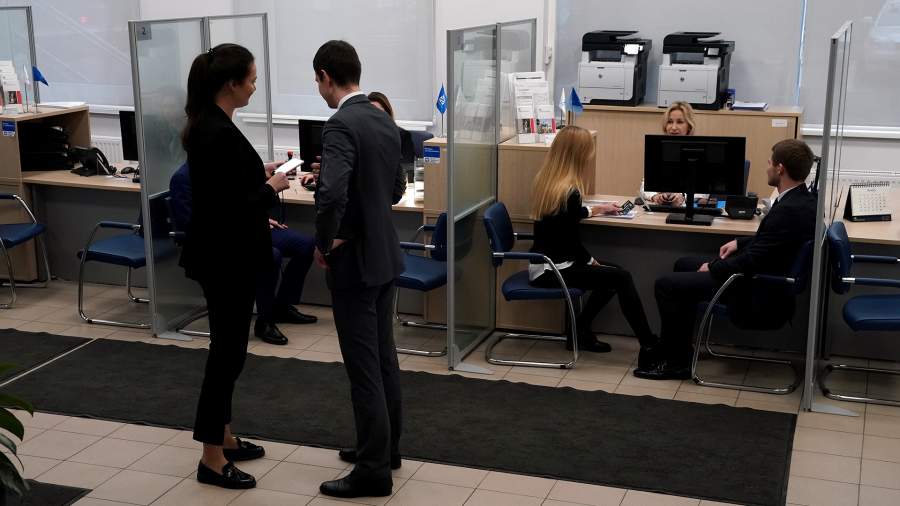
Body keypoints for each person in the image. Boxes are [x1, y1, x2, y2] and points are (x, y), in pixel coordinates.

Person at [179, 43, 291, 489]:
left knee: (230, 353)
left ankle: (223, 436)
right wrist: (271, 187)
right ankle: (211, 458)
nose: (254, 86)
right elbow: (228, 205)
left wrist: (258, 176)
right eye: (251, 79)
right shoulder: (215, 131)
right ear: (231, 84)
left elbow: (225, 188)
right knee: (226, 357)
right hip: (225, 259)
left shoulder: (213, 124)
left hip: (226, 252)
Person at [307, 40, 404, 499]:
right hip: (386, 256)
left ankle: (372, 471)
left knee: (363, 367)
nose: (319, 89)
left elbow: (331, 195)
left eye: (317, 81)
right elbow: (395, 190)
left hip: (356, 264)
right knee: (384, 360)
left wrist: (326, 241)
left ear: (326, 76)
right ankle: (385, 449)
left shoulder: (340, 124)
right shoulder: (383, 120)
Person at [635, 139, 817, 380]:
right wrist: (740, 242)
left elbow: (752, 261)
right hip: (761, 274)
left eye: (769, 163)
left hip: (755, 287)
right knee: (683, 265)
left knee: (665, 285)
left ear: (780, 168)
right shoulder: (800, 200)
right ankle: (679, 350)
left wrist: (714, 266)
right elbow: (775, 242)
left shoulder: (788, 210)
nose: (767, 168)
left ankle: (675, 363)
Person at [529, 126, 659, 359]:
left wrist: (597, 209)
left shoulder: (549, 181)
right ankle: (648, 345)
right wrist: (591, 261)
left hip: (544, 264)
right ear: (579, 154)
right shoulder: (570, 191)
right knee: (621, 277)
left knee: (614, 274)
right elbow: (569, 240)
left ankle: (579, 330)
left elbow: (564, 218)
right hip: (554, 269)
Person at [169, 164, 317, 346]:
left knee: (307, 245)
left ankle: (281, 307)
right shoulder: (183, 178)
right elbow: (192, 224)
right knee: (271, 255)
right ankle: (265, 320)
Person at [640, 101, 696, 207]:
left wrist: (683, 196)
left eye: (680, 122)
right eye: (670, 122)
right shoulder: (658, 151)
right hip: (662, 208)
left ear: (689, 126)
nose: (673, 127)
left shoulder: (697, 151)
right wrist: (655, 196)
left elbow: (705, 192)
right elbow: (644, 186)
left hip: (687, 209)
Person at [367, 91, 412, 205]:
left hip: (395, 194)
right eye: (370, 112)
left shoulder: (401, 135)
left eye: (378, 112)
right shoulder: (363, 138)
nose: (374, 116)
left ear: (387, 114)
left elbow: (408, 171)